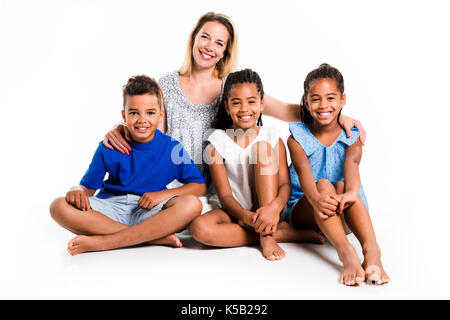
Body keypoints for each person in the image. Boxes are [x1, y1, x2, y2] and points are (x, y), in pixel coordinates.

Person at [102, 12, 367, 213]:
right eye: (204, 37)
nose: (209, 47)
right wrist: (121, 126)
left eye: (219, 43)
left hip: (223, 184)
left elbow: (285, 110)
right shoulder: (167, 85)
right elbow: (147, 125)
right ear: (193, 38)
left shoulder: (230, 87)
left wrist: (333, 115)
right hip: (178, 183)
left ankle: (267, 229)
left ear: (225, 51)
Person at [49, 75, 206, 255]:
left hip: (150, 212)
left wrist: (161, 195)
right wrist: (76, 189)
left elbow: (199, 186)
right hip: (111, 208)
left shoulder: (172, 149)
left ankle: (107, 242)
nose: (142, 119)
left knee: (192, 205)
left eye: (150, 112)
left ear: (160, 114)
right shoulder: (109, 146)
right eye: (134, 112)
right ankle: (152, 237)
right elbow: (87, 189)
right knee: (58, 206)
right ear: (124, 115)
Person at [189, 69, 325, 261]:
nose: (244, 109)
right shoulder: (216, 142)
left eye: (251, 101)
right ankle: (283, 234)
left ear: (262, 104)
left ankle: (268, 235)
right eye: (236, 103)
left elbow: (285, 185)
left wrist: (273, 209)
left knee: (262, 149)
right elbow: (225, 196)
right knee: (199, 229)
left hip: (268, 209)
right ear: (227, 107)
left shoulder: (272, 137)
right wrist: (245, 216)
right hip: (234, 210)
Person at [286, 64, 390, 285]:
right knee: (323, 183)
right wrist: (317, 199)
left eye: (331, 98)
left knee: (343, 186)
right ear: (306, 101)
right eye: (315, 99)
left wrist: (350, 194)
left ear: (343, 100)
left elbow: (352, 170)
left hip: (345, 212)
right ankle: (347, 254)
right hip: (306, 208)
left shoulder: (352, 138)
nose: (323, 105)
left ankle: (372, 251)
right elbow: (305, 176)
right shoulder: (297, 138)